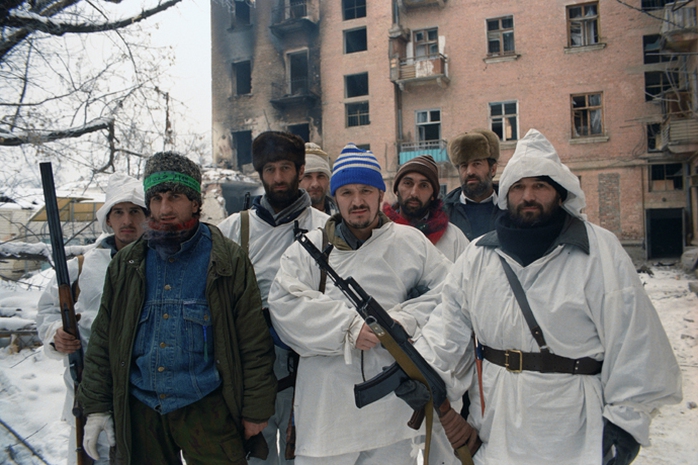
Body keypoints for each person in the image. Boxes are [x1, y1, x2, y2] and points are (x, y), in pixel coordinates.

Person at [414, 129, 683, 465]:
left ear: (559, 192)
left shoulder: (600, 251)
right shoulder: (479, 256)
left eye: (540, 186)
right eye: (519, 187)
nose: (529, 195)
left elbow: (635, 341)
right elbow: (447, 328)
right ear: (507, 193)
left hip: (573, 433)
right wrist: (422, 371)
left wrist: (626, 425)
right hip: (498, 427)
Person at [77, 152, 276, 464]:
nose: (164, 209)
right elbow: (104, 339)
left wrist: (255, 410)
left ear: (195, 202)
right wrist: (97, 407)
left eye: (175, 197)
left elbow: (252, 340)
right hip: (143, 411)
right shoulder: (127, 264)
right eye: (156, 198)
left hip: (207, 409)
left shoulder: (226, 260)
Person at [267, 143, 453, 465]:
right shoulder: (307, 250)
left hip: (393, 419)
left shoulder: (411, 243)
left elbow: (449, 294)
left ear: (381, 193)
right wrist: (348, 327)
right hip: (327, 415)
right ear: (334, 196)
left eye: (366, 190)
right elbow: (284, 304)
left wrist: (403, 321)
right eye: (347, 192)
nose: (357, 202)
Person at [218, 131, 329, 465]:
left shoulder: (327, 227)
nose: (278, 178)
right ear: (260, 174)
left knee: (307, 448)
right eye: (270, 170)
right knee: (258, 451)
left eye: (285, 168)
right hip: (255, 363)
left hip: (309, 359)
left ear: (299, 169)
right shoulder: (235, 229)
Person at [36, 172, 147, 465]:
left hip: (144, 394)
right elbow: (47, 313)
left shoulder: (161, 264)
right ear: (107, 220)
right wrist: (56, 334)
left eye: (135, 211)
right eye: (119, 212)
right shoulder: (80, 268)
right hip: (89, 391)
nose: (127, 221)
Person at [384, 154, 469, 262]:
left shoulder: (454, 238)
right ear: (396, 190)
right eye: (408, 183)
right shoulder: (382, 232)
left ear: (433, 194)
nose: (414, 193)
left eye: (423, 186)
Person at [443, 129, 500, 241]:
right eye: (464, 165)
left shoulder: (509, 206)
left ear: (493, 169)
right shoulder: (444, 212)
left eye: (477, 164)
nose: (470, 172)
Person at [300, 142, 338, 215]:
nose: (315, 184)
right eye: (307, 177)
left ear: (328, 180)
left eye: (321, 176)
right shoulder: (286, 221)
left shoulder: (342, 218)